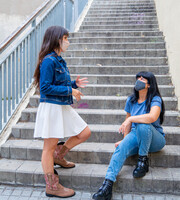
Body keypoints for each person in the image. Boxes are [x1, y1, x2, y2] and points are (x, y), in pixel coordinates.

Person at [33, 26, 91, 198]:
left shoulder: (59, 60)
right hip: (51, 106)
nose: (67, 41)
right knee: (48, 147)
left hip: (61, 105)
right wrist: (70, 91)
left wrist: (73, 84)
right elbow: (45, 88)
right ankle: (52, 186)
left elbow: (57, 83)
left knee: (84, 132)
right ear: (56, 39)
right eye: (65, 38)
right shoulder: (49, 61)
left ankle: (59, 156)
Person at [92, 71, 166, 200]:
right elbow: (127, 124)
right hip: (136, 134)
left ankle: (143, 161)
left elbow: (152, 117)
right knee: (121, 148)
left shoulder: (155, 99)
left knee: (143, 125)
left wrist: (132, 119)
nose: (139, 79)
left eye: (143, 78)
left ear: (149, 84)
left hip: (155, 139)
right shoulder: (131, 100)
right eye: (138, 77)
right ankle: (107, 185)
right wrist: (125, 140)